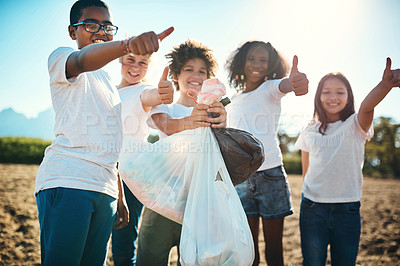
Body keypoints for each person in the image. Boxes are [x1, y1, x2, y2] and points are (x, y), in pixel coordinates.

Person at [34, 0, 173, 264]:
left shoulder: (110, 84)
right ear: (72, 31)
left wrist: (118, 193)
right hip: (69, 181)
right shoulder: (63, 57)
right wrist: (126, 44)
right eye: (90, 25)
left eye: (107, 27)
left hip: (105, 189)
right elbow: (83, 59)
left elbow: (112, 141)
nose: (100, 31)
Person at [295, 58, 400, 266]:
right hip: (312, 210)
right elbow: (306, 170)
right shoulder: (309, 130)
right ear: (318, 96)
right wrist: (311, 197)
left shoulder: (356, 124)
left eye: (340, 92)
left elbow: (367, 107)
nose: (333, 97)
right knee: (312, 262)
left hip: (347, 210)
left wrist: (384, 86)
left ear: (348, 96)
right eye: (326, 91)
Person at [135, 39, 226, 265]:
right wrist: (192, 120)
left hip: (200, 203)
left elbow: (220, 150)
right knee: (150, 258)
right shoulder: (166, 106)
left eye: (202, 71)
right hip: (163, 200)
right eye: (188, 69)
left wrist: (222, 121)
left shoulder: (214, 110)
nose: (196, 75)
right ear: (175, 75)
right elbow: (166, 125)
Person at [225, 40, 309, 266]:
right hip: (241, 179)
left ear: (270, 65)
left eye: (263, 60)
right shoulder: (232, 100)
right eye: (251, 58)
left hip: (270, 176)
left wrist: (294, 82)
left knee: (274, 251)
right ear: (241, 63)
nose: (256, 64)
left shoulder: (270, 88)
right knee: (249, 252)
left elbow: (285, 85)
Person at [111, 52, 174, 265]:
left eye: (142, 63)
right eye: (130, 60)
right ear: (120, 59)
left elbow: (155, 96)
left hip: (130, 174)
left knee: (123, 244)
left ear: (148, 67)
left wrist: (163, 93)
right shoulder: (109, 91)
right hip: (103, 170)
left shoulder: (143, 91)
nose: (135, 67)